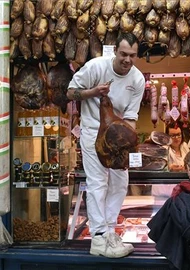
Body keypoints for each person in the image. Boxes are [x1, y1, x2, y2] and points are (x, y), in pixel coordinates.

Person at [66, 32, 145, 258]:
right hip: (92, 133)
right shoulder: (96, 66)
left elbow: (131, 117)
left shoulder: (138, 80)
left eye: (132, 55)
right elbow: (70, 92)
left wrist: (125, 141)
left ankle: (110, 230)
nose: (127, 60)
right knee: (98, 183)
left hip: (118, 139)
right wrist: (94, 92)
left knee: (120, 183)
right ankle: (99, 237)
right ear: (116, 51)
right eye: (123, 54)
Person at [151, 122, 190, 197]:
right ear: (167, 137)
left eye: (178, 134)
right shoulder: (163, 149)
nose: (176, 138)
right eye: (173, 135)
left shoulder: (184, 146)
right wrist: (169, 168)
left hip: (180, 189)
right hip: (163, 191)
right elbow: (156, 167)